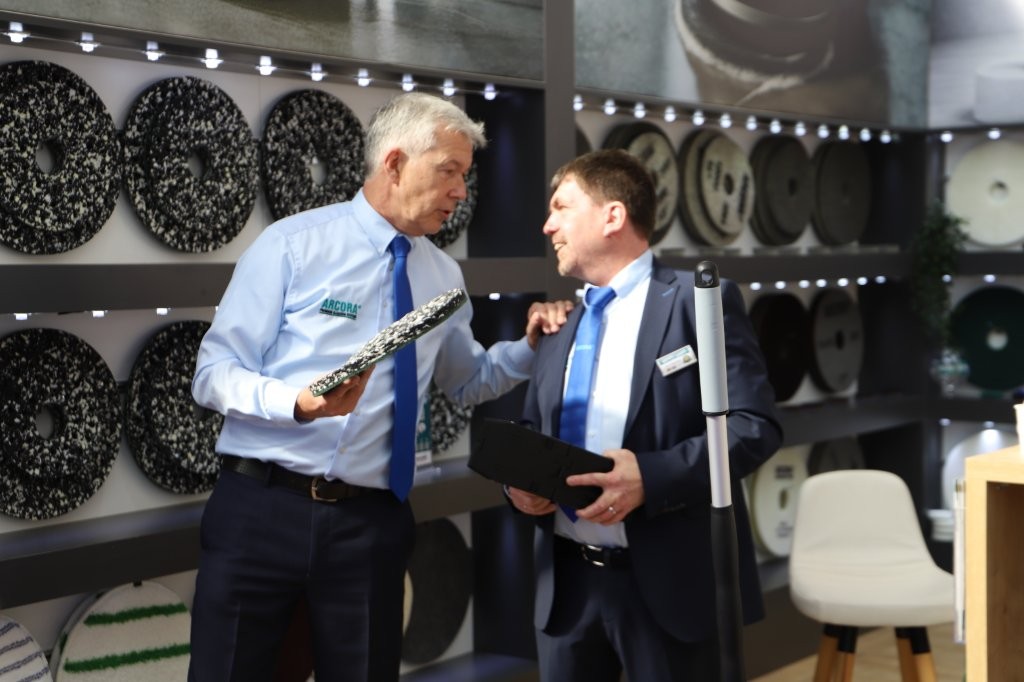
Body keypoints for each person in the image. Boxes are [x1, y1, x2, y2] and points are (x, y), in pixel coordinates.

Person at [188, 92, 571, 682]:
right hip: (261, 509)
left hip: (370, 526)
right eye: (449, 171)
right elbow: (213, 373)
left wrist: (530, 347)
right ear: (394, 163)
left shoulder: (443, 276)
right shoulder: (292, 245)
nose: (461, 192)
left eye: (465, 176)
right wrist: (295, 403)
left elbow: (468, 380)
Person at [506, 148, 783, 681]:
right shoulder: (558, 322)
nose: (547, 225)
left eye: (561, 207)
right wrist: (518, 485)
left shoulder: (698, 301)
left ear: (613, 216)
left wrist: (651, 477)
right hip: (566, 590)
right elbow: (532, 430)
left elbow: (755, 427)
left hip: (670, 589)